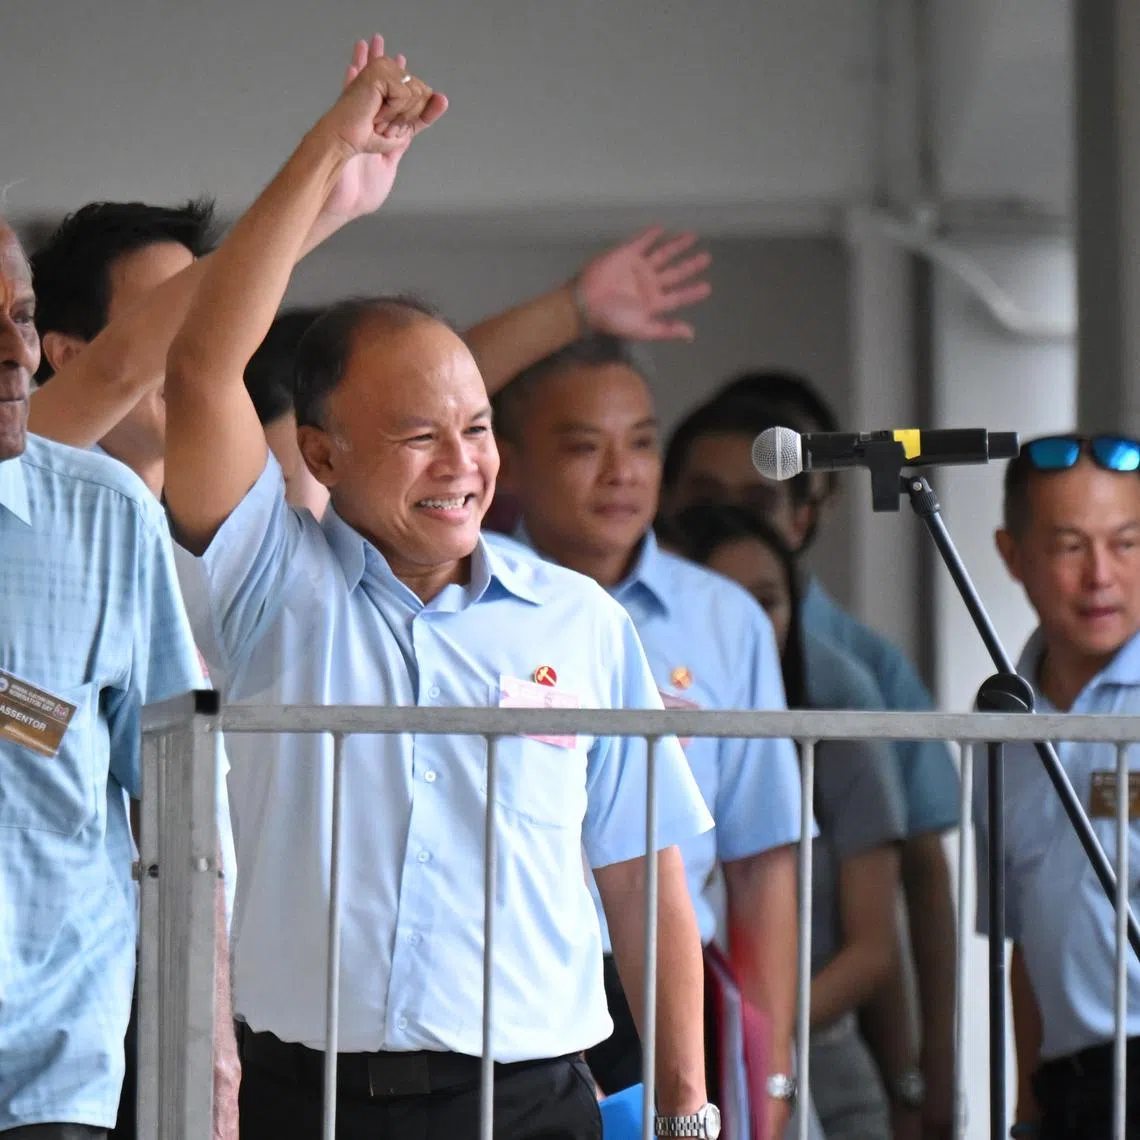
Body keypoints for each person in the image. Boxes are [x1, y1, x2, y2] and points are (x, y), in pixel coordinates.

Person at [162, 46, 718, 1140]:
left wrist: (690, 1110)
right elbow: (198, 367)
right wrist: (331, 153)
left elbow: (642, 877)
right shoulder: (270, 579)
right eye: (418, 437)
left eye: (474, 429)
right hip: (305, 1100)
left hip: (530, 1101)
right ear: (320, 454)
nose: (461, 465)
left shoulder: (581, 623)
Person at [492, 335, 805, 1140]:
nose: (622, 472)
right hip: (506, 988)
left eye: (641, 442)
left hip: (667, 992)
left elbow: (761, 856)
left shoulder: (723, 618)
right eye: (584, 447)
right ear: (510, 459)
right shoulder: (469, 600)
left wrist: (770, 1074)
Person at [661, 388, 960, 1138]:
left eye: (757, 498)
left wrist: (922, 1082)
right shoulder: (619, 656)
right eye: (705, 496)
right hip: (654, 1050)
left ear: (802, 516)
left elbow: (909, 894)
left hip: (812, 1061)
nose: (746, 621)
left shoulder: (848, 680)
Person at [0, 221, 234, 1139]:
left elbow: (183, 795)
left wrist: (213, 1055)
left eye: (21, 318)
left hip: (56, 1060)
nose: (15, 355)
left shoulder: (103, 516)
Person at [672, 504, 907, 1140]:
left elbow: (877, 946)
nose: (751, 622)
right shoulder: (672, 730)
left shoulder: (838, 723)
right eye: (728, 600)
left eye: (769, 600)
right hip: (693, 1058)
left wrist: (760, 1030)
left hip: (821, 1061)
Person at [981, 433, 1140, 1139]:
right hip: (1069, 1090)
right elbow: (1027, 939)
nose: (1101, 576)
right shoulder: (1003, 722)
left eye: (1127, 543)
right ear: (1012, 556)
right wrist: (1025, 1108)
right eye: (1070, 546)